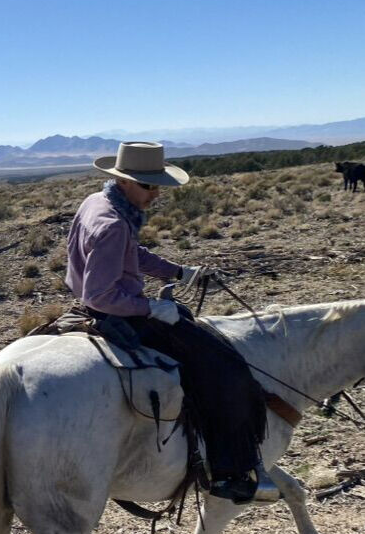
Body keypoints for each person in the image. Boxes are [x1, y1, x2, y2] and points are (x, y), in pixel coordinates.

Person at [66, 141, 279, 504]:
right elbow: (99, 295)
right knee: (223, 368)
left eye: (158, 185)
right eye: (149, 185)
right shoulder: (114, 223)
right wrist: (149, 308)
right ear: (124, 181)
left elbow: (131, 255)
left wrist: (179, 272)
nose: (156, 194)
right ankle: (229, 472)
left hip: (102, 306)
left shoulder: (98, 202)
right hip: (117, 314)